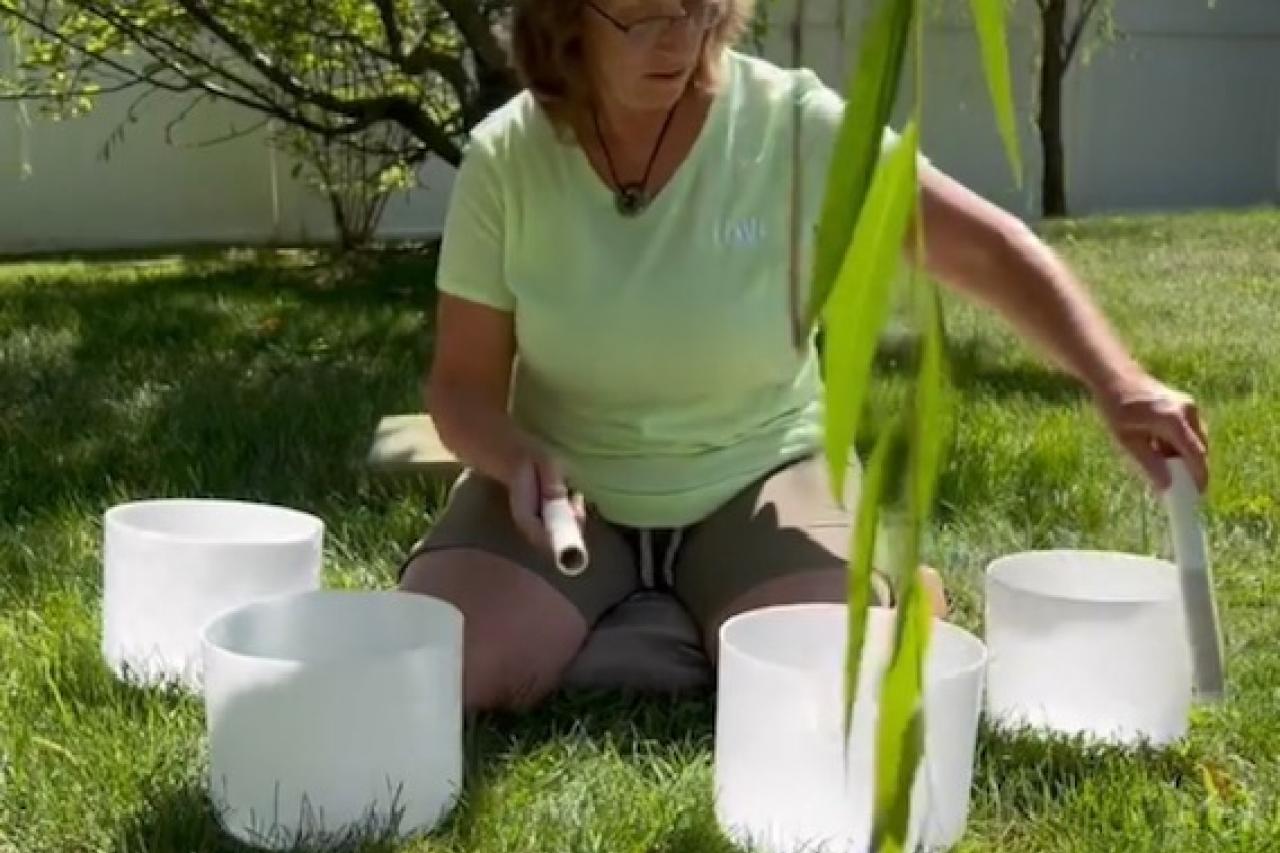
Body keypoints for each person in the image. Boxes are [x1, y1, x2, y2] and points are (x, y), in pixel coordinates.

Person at [398, 0, 1210, 712]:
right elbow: (461, 388)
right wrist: (515, 457)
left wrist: (1117, 379)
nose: (677, 36)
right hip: (573, 489)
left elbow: (988, 251)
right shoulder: (507, 158)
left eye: (695, 5)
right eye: (641, 15)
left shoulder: (792, 126)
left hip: (762, 470)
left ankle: (689, 623)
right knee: (433, 668)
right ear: (568, 18)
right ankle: (700, 629)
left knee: (831, 686)